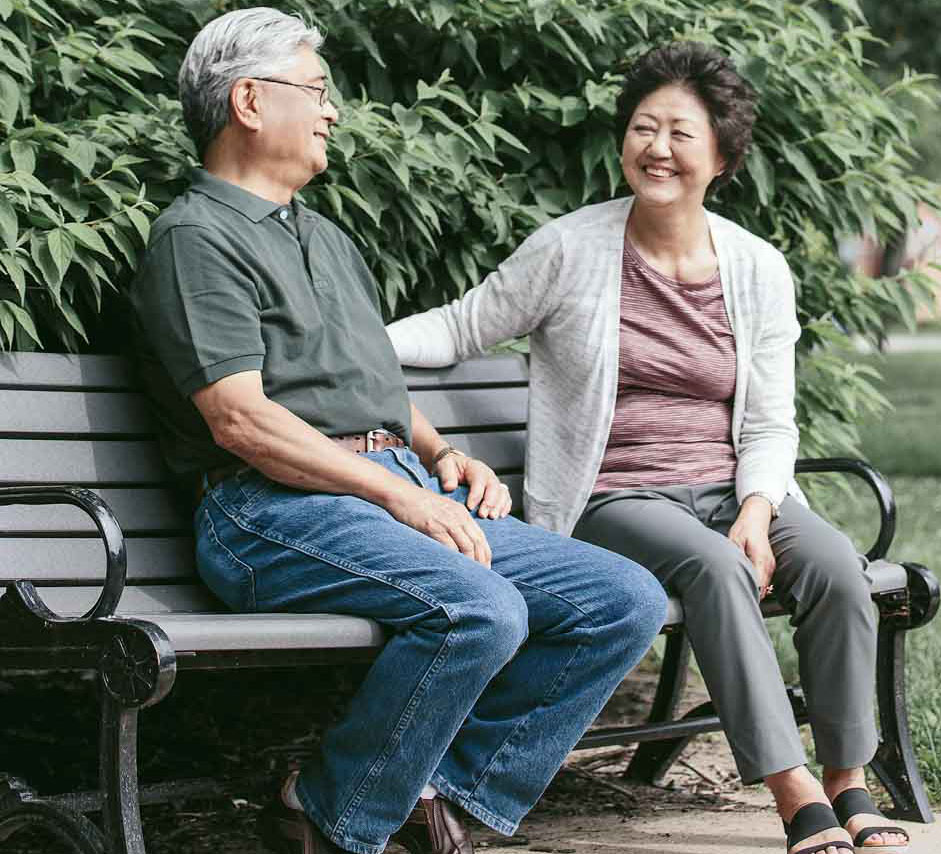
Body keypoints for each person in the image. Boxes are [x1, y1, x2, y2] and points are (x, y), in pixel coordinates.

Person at [129, 9, 668, 854]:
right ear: (248, 101)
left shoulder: (328, 237)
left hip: (384, 491)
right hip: (268, 514)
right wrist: (395, 494)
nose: (333, 111)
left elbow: (373, 385)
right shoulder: (194, 239)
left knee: (622, 599)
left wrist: (442, 455)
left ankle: (428, 796)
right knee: (479, 609)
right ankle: (335, 816)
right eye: (316, 90)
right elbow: (239, 419)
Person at [387, 42, 912, 854]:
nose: (657, 148)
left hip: (727, 488)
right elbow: (464, 324)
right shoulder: (570, 249)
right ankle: (794, 792)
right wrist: (356, 346)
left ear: (723, 157)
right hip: (615, 497)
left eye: (680, 133)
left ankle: (848, 780)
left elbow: (772, 422)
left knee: (839, 566)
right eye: (643, 128)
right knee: (714, 566)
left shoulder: (758, 269)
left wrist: (756, 505)